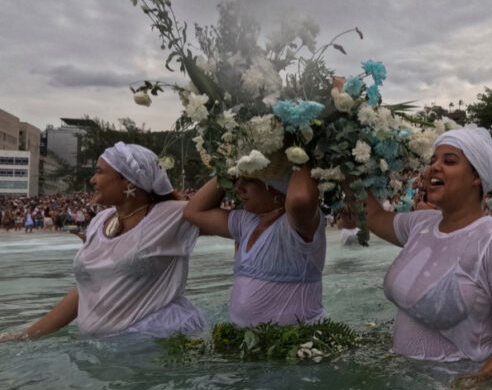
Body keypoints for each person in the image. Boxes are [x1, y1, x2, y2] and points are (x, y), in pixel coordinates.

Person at [364, 126, 492, 390]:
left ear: (477, 177)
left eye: (449, 161)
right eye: (434, 160)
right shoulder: (420, 224)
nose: (434, 167)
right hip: (404, 381)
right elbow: (372, 216)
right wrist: (343, 169)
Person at [1, 143, 205, 341]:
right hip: (102, 350)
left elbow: (230, 220)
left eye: (99, 172)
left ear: (129, 181)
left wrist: (231, 162)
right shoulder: (101, 219)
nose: (93, 179)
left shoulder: (170, 215)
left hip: (152, 340)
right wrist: (25, 336)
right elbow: (86, 289)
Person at [183, 165, 325, 328]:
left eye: (249, 180)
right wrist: (231, 167)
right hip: (246, 342)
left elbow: (301, 199)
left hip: (300, 343)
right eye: (238, 179)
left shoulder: (299, 225)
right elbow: (193, 212)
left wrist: (299, 154)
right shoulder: (246, 222)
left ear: (276, 192)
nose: (238, 187)